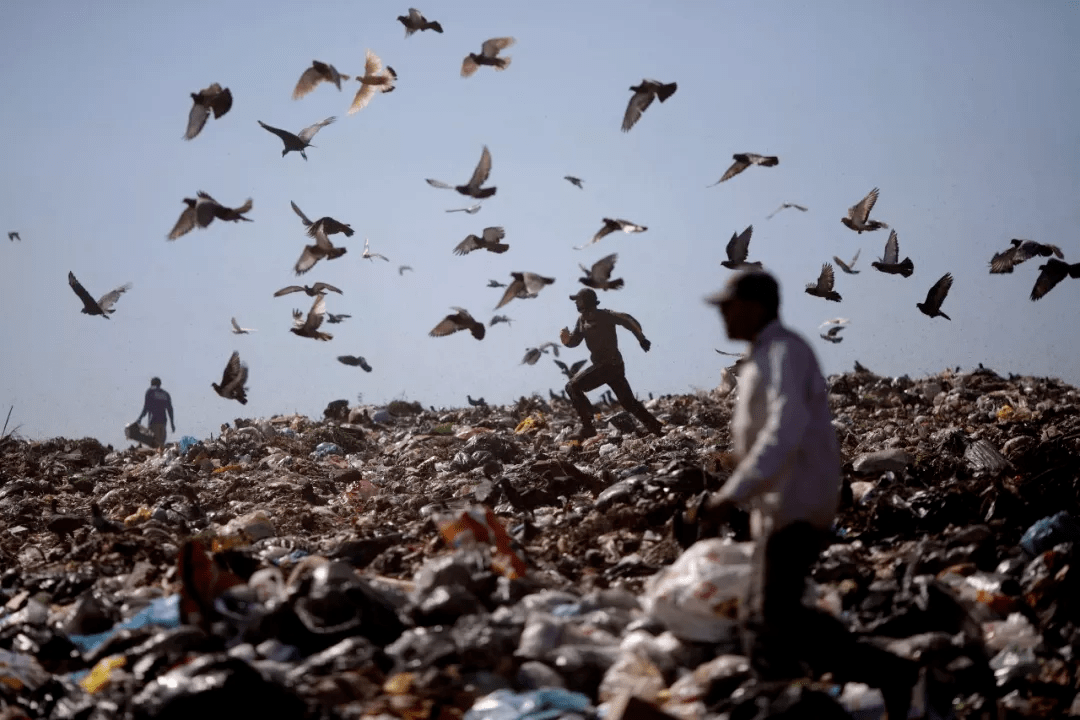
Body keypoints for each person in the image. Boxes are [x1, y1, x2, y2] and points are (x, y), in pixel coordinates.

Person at [702, 270, 919, 719]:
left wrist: (730, 495)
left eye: (729, 305)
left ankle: (815, 695)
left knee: (768, 622)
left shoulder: (785, 351)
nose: (722, 314)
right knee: (766, 619)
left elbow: (785, 428)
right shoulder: (762, 356)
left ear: (756, 306)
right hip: (781, 508)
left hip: (798, 503)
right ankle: (865, 680)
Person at [559, 288, 664, 440]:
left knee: (572, 386)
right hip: (607, 366)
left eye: (579, 300)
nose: (576, 302)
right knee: (628, 403)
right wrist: (566, 341)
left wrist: (641, 338)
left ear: (587, 301)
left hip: (609, 364)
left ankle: (588, 426)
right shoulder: (581, 321)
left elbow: (627, 320)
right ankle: (657, 429)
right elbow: (575, 341)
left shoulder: (604, 315)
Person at [135, 377, 175, 449]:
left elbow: (146, 408)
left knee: (154, 446)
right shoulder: (165, 394)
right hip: (163, 423)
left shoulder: (150, 392)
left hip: (153, 422)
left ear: (151, 384)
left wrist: (139, 419)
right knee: (161, 445)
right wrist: (172, 424)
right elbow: (170, 410)